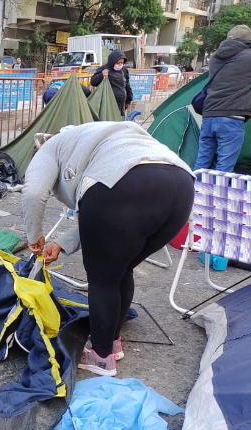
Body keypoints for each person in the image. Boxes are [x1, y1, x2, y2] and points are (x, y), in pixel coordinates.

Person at [22, 121, 194, 376]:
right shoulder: (93, 138)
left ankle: (101, 356)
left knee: (103, 279)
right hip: (181, 185)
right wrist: (62, 243)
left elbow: (34, 194)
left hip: (122, 183)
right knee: (120, 268)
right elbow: (102, 224)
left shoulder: (48, 149)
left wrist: (34, 236)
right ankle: (112, 341)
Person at [194, 25, 251, 173]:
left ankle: (195, 192)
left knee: (202, 160)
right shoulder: (250, 57)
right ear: (247, 40)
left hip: (209, 115)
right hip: (231, 118)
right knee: (224, 164)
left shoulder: (217, 56)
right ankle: (219, 194)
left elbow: (239, 61)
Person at [90, 50, 133, 116]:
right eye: (118, 62)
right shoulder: (104, 69)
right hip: (109, 105)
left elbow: (127, 85)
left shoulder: (124, 70)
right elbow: (93, 81)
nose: (120, 65)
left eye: (122, 63)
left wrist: (128, 100)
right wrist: (101, 75)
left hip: (122, 104)